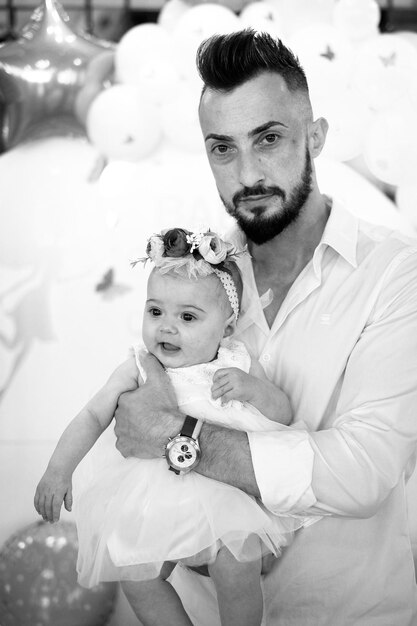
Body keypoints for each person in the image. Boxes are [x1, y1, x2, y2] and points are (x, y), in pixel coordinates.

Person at [112, 29, 417, 625]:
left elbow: (361, 474)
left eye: (269, 139)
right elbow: (131, 422)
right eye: (222, 148)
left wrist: (183, 437)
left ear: (316, 136)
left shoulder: (397, 274)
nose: (247, 173)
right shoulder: (191, 281)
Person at [34, 226, 309, 626]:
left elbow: (282, 413)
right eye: (155, 311)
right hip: (154, 500)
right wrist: (58, 470)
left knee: (236, 563)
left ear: (226, 327)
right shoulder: (139, 366)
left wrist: (251, 389)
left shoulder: (236, 361)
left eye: (187, 317)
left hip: (225, 498)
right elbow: (93, 415)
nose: (166, 326)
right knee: (138, 575)